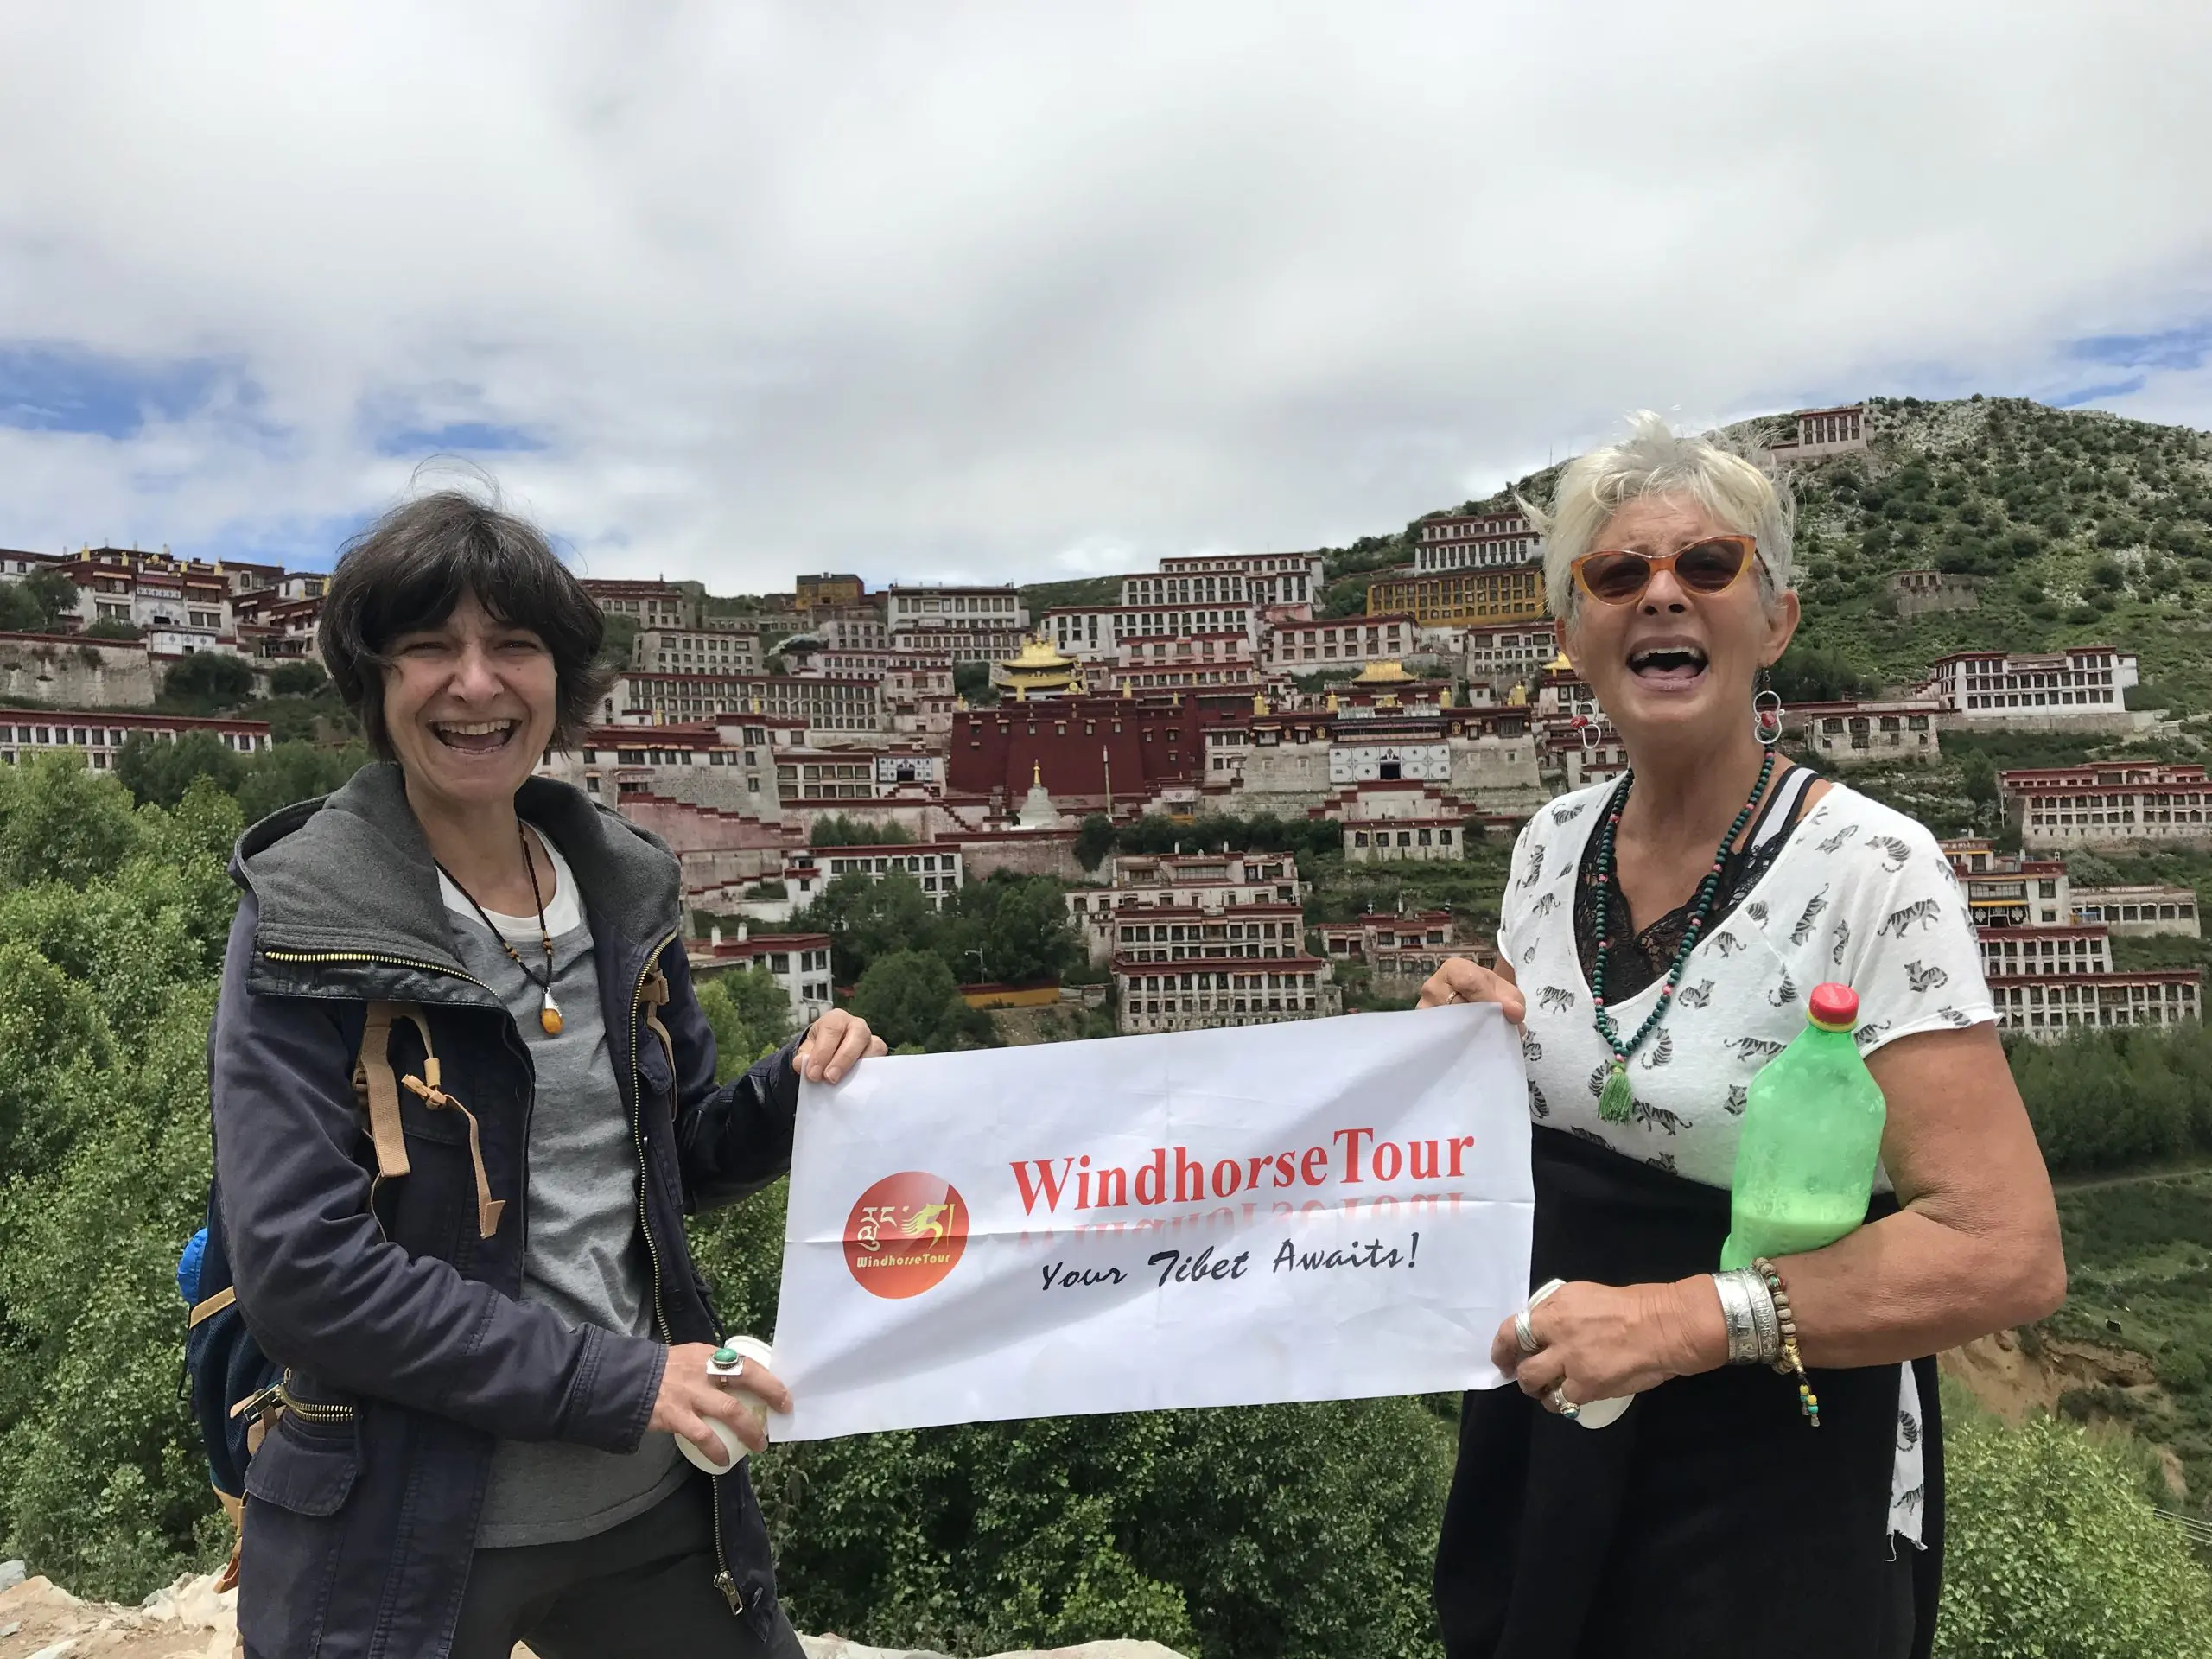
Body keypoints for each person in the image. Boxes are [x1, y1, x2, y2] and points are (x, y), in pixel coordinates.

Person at [1417, 416, 2066, 1659]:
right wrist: (1465, 1056)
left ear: (1775, 620)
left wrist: (1675, 1323)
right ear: (1571, 637)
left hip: (1781, 1459)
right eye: (1617, 574)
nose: (1662, 592)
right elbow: (1587, 1102)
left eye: (1709, 566)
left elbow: (2009, 1254)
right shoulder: (1550, 844)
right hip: (1561, 1414)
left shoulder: (1879, 870)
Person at [209, 492, 885, 1659]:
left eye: (512, 645)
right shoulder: (306, 918)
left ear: (561, 681)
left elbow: (662, 1166)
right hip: (401, 1527)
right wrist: (626, 1380)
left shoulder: (626, 890)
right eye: (430, 647)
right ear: (375, 682)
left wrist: (800, 1093)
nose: (476, 684)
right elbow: (303, 1274)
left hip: (650, 1507)